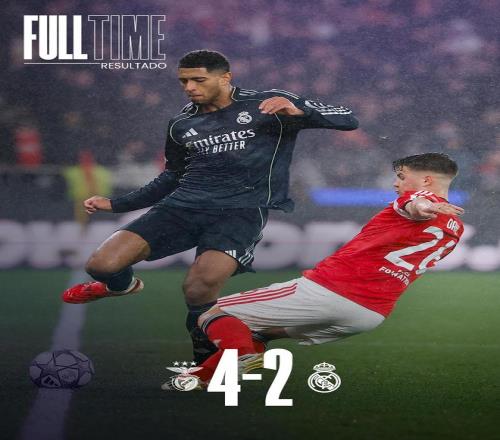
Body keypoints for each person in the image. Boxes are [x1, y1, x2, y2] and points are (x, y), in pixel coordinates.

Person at [61, 49, 359, 363]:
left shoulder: (268, 103)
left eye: (198, 80)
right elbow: (173, 176)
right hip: (182, 207)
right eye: (184, 81)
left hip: (240, 211)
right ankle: (121, 286)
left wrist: (300, 111)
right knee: (101, 265)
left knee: (198, 290)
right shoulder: (181, 123)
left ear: (225, 77)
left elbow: (348, 119)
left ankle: (205, 364)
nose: (189, 87)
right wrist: (117, 204)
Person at [161, 152, 464, 389]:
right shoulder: (455, 227)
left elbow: (416, 204)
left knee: (211, 313)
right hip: (370, 314)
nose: (396, 184)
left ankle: (241, 356)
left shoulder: (416, 200)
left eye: (401, 177)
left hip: (330, 291)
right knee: (260, 332)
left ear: (426, 180)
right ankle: (200, 379)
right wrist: (427, 208)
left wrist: (424, 206)